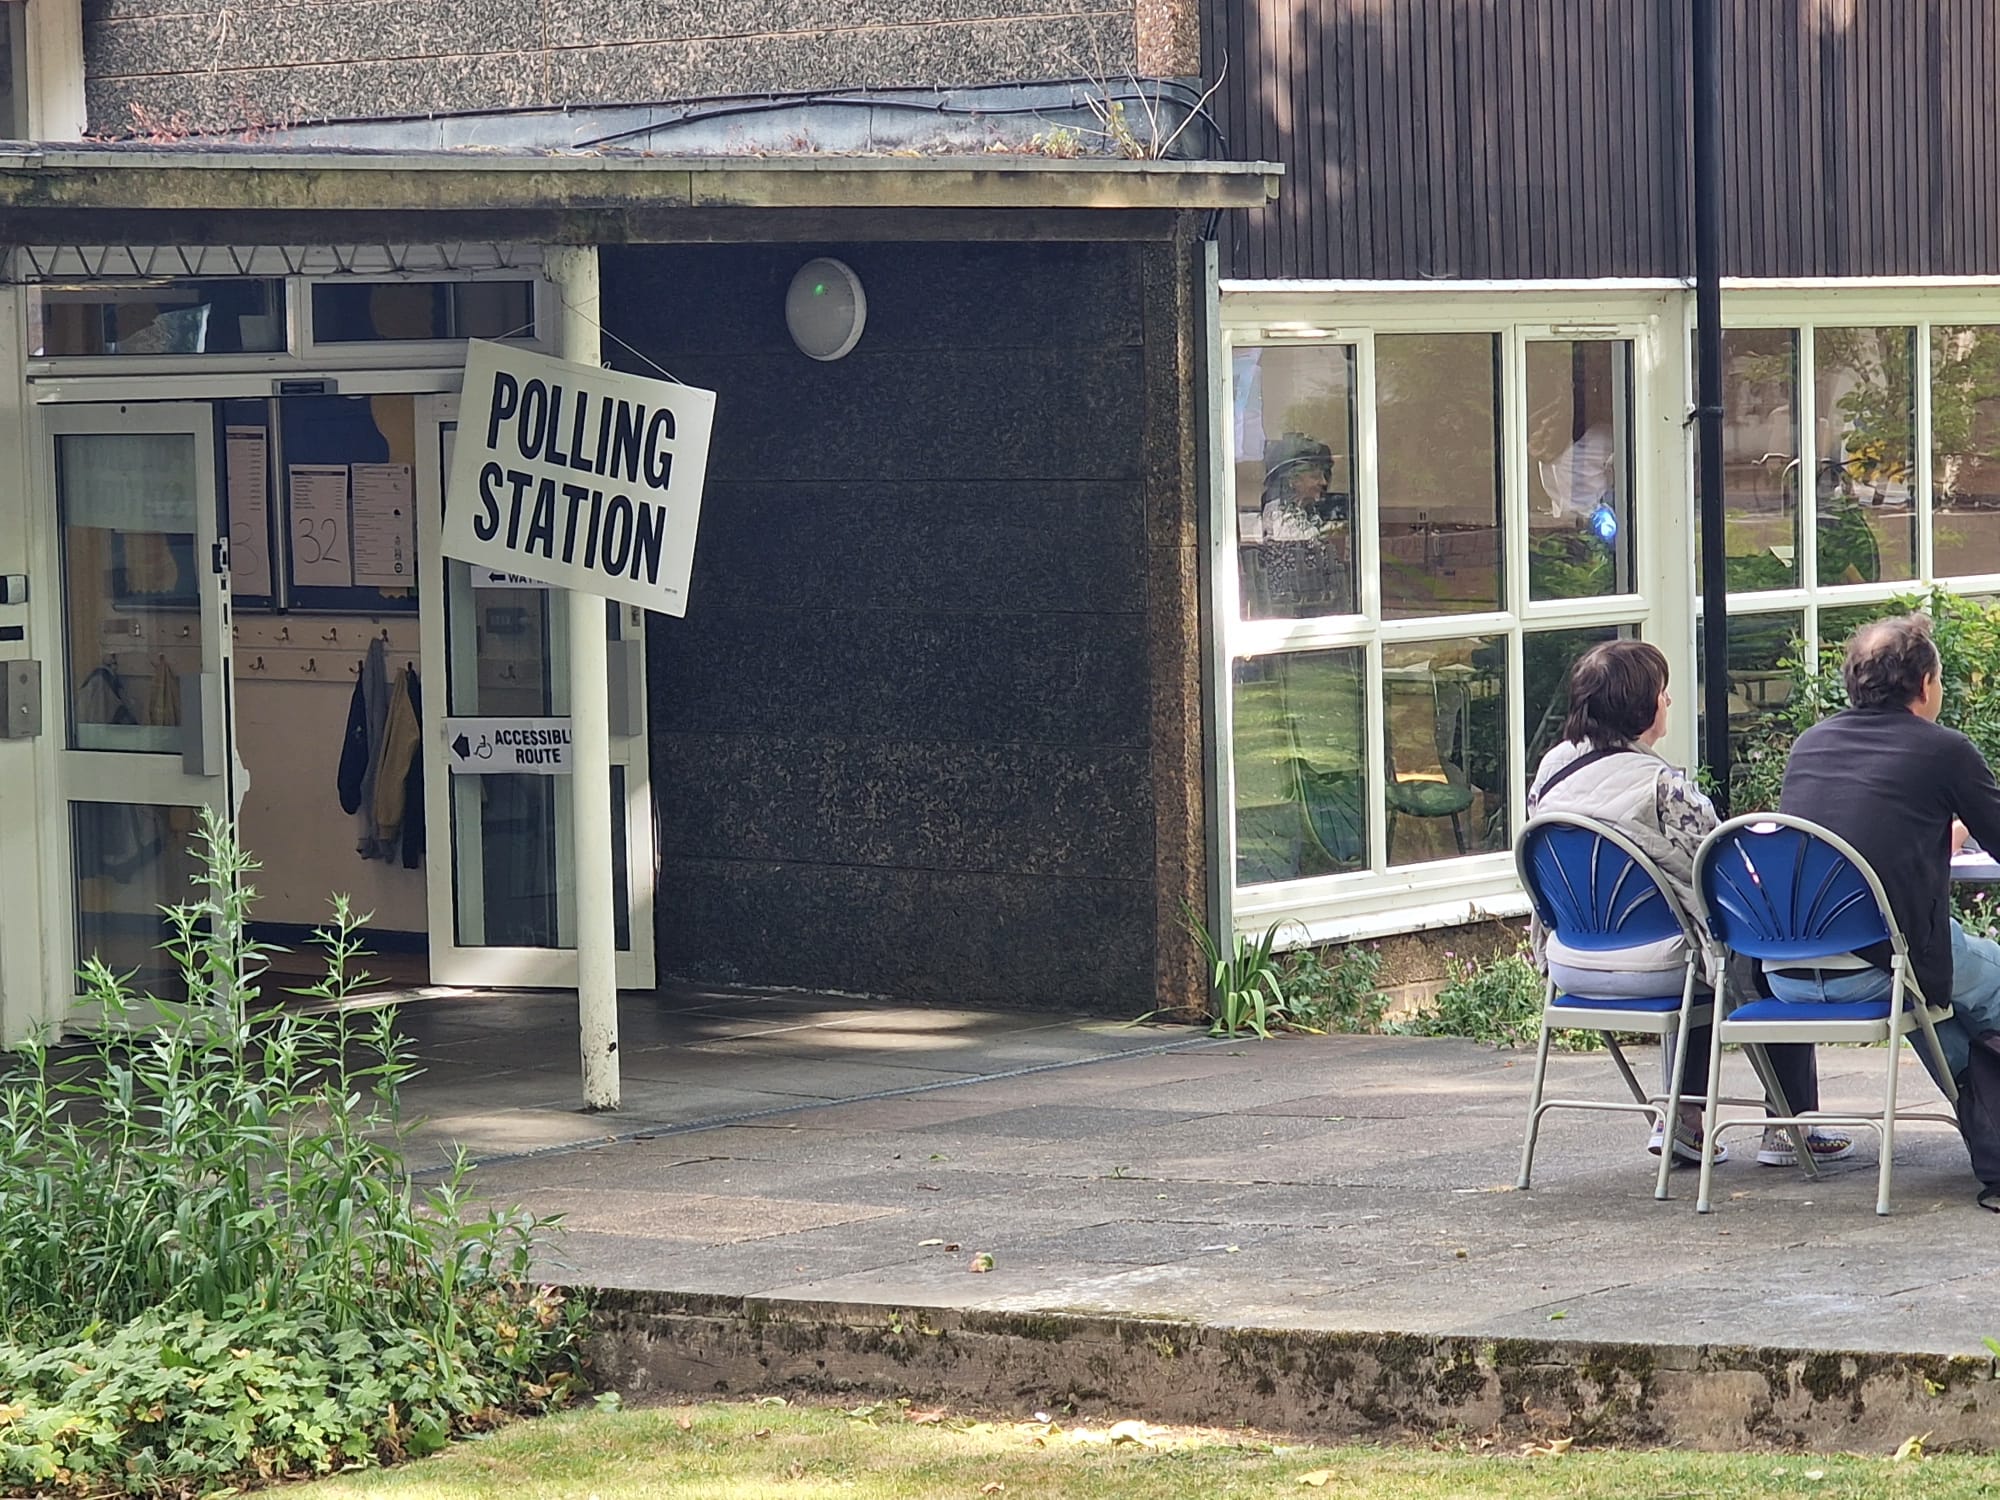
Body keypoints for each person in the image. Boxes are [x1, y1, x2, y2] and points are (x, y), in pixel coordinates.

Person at [1528, 640, 1850, 1167]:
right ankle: (1789, 1125)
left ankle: (1683, 1121)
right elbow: (1721, 866)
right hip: (1661, 966)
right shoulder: (1661, 787)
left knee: (1698, 946)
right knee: (1757, 945)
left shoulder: (1551, 770)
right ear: (1642, 708)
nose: (1670, 701)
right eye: (1662, 691)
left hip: (1572, 961)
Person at [1775, 613, 2000, 1210]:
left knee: (1942, 1007)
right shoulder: (1942, 749)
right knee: (1979, 981)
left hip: (1784, 976)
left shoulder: (1810, 744)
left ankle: (1990, 1134)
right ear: (1926, 684)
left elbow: (1848, 843)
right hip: (1883, 965)